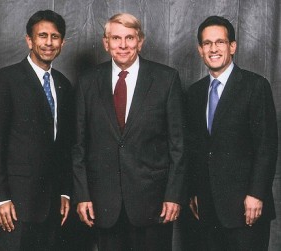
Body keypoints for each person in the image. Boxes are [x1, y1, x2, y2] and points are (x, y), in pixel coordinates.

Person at [72, 13, 187, 251]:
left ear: (140, 41)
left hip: (154, 203)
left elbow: (178, 145)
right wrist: (83, 195)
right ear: (106, 43)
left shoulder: (166, 79)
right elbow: (79, 145)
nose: (123, 45)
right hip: (104, 203)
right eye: (116, 38)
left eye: (129, 38)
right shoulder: (87, 82)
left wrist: (173, 195)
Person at [0, 10, 72, 251]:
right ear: (29, 40)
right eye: (42, 36)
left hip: (52, 205)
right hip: (14, 206)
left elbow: (63, 146)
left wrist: (65, 192)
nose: (49, 43)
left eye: (55, 36)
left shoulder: (63, 83)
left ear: (62, 42)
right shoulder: (5, 80)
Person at [187, 15, 278, 251]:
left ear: (232, 46)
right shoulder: (195, 93)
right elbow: (197, 148)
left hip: (246, 208)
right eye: (207, 43)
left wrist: (256, 194)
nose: (213, 49)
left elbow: (266, 146)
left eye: (220, 42)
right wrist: (195, 192)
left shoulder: (255, 86)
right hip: (207, 209)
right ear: (200, 50)